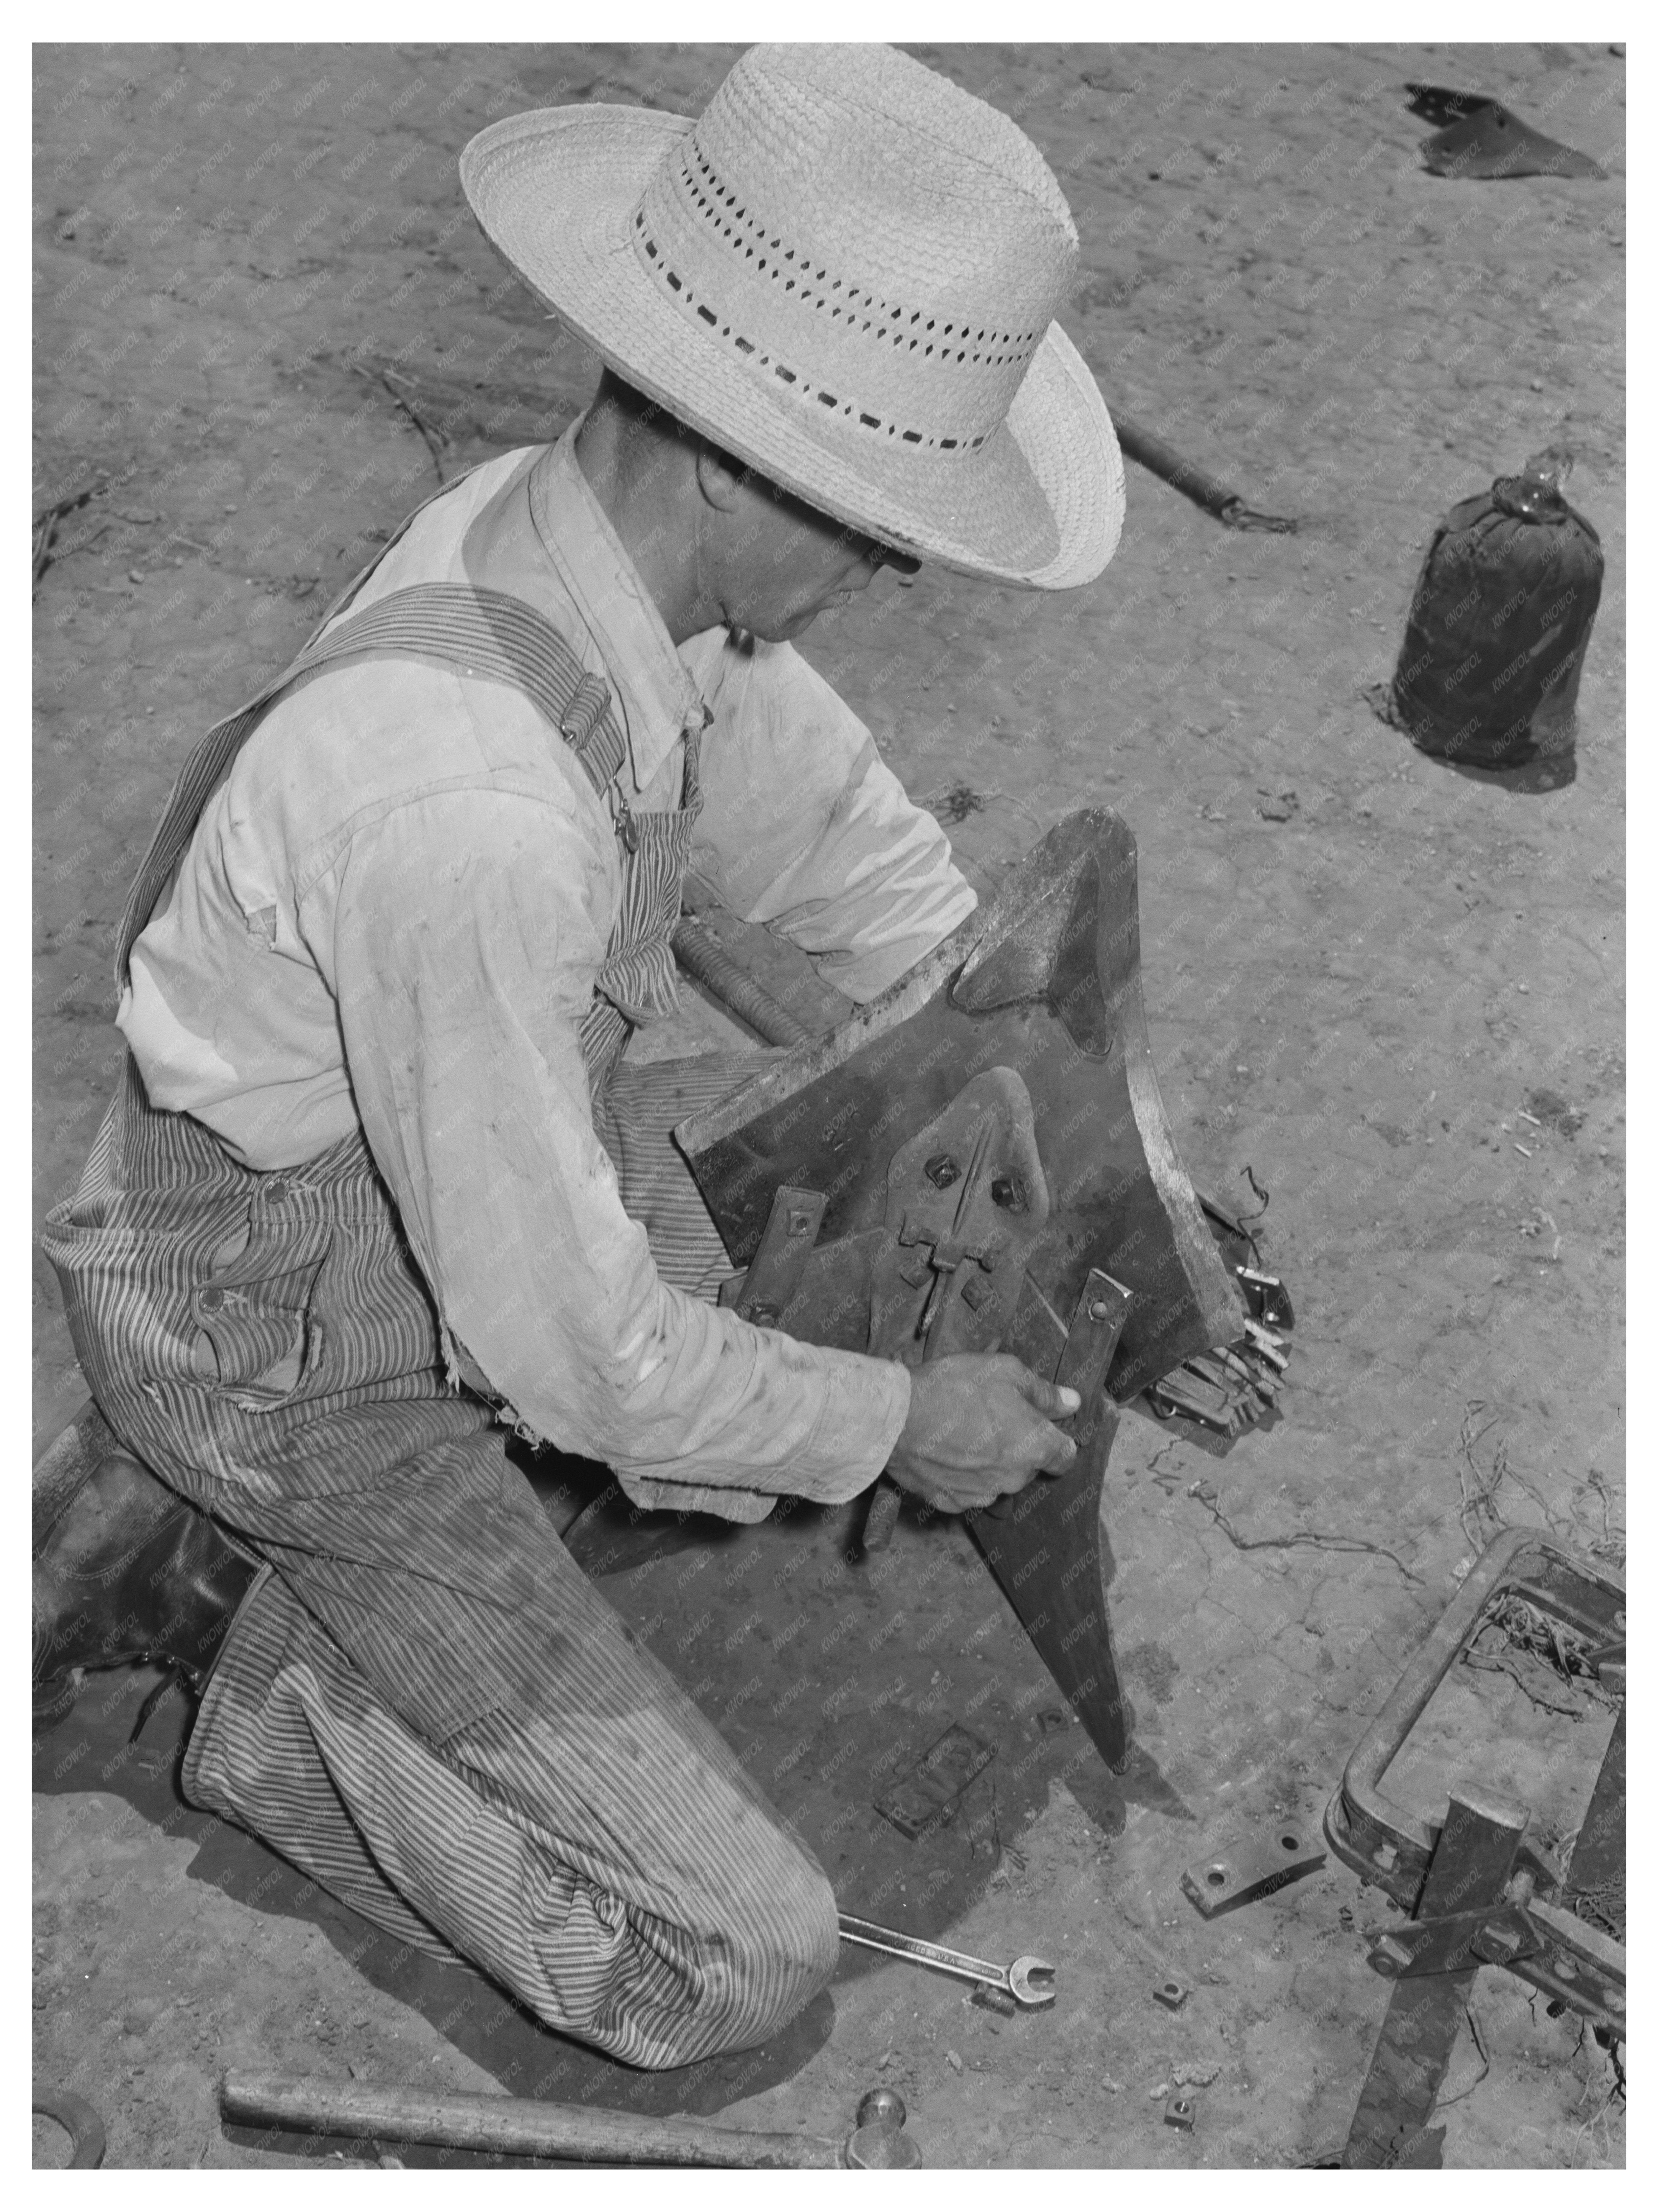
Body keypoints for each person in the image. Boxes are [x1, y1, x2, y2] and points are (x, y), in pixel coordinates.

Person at [36, 43, 1126, 2068]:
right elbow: (574, 1360)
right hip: (277, 1362)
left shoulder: (594, 562)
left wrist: (1093, 1100)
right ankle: (234, 1649)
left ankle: (403, 1574)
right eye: (874, 525)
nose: (892, 572)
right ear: (724, 459)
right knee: (741, 1955)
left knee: (745, 1407)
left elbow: (853, 862)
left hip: (410, 1215)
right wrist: (896, 1421)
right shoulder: (470, 810)